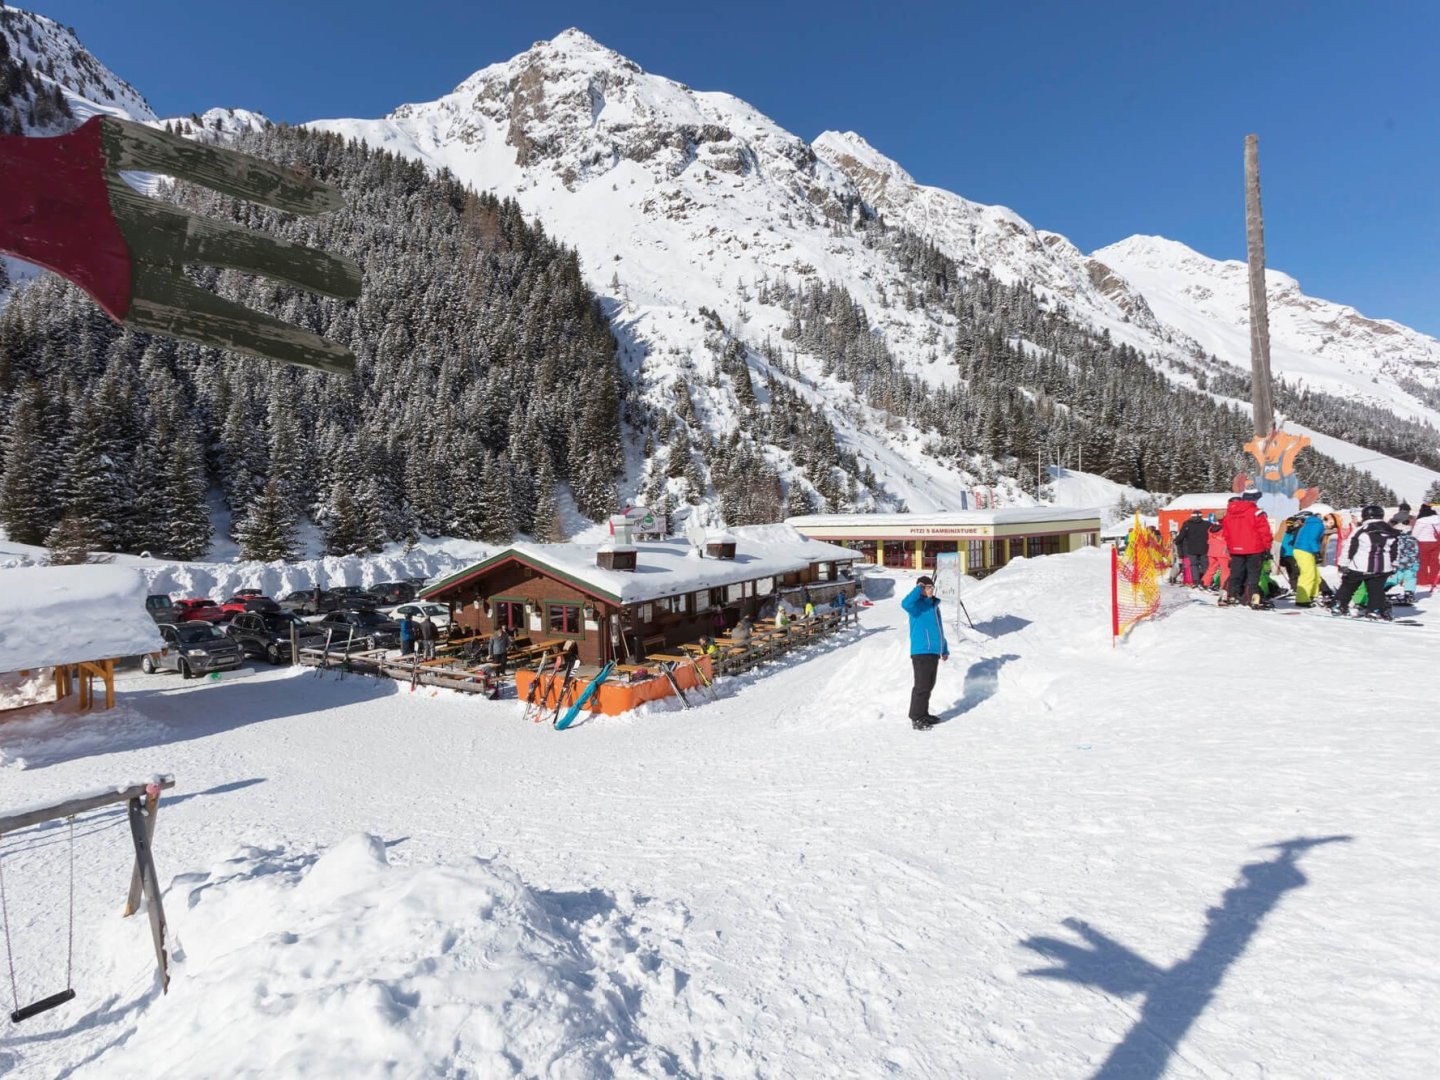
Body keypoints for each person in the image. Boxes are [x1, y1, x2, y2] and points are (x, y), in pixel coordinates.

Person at [1332, 505, 1400, 619]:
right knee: (1376, 590)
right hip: (1382, 567)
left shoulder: (1360, 530)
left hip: (1360, 566)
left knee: (1348, 585)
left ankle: (1339, 606)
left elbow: (1349, 548)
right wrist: (1394, 564)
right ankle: (1375, 610)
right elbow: (1395, 550)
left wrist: (1343, 564)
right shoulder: (1391, 530)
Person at [901, 575, 949, 731]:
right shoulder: (916, 607)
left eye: (931, 587)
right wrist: (918, 588)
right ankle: (916, 718)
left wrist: (944, 648)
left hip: (934, 651)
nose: (930, 590)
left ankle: (924, 714)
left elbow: (939, 629)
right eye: (927, 587)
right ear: (921, 589)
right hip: (921, 651)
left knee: (929, 685)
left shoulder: (934, 606)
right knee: (921, 686)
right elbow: (905, 603)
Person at [1220, 488, 1272, 608]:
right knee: (1253, 574)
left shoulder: (1229, 513)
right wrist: (1267, 547)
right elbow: (1264, 532)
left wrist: (1230, 546)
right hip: (1254, 548)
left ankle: (1232, 594)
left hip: (1235, 549)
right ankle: (1252, 596)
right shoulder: (1256, 512)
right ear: (1254, 499)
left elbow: (1226, 533)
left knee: (1236, 573)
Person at [1290, 510, 1326, 607]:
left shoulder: (1310, 524)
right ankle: (1302, 599)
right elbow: (1312, 540)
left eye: (1300, 519)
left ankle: (1312, 595)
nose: (1299, 521)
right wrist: (1317, 552)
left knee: (1314, 574)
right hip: (1305, 551)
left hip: (1303, 550)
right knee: (1308, 575)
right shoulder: (1317, 524)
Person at [1385, 515, 1420, 606]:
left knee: (1396, 577)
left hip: (1399, 562)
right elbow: (1416, 551)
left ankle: (1382, 589)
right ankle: (1409, 593)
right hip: (1411, 562)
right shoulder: (1412, 538)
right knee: (1410, 577)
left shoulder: (1394, 538)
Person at [1174, 511, 1211, 588]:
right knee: (1205, 565)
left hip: (1192, 548)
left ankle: (1196, 580)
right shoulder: (1207, 524)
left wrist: (1176, 541)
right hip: (1205, 548)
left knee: (1194, 565)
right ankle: (1206, 581)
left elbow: (1181, 536)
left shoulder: (1187, 525)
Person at [1411, 504, 1440, 591]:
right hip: (1436, 542)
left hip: (1423, 543)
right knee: (1434, 561)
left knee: (1423, 562)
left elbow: (1415, 534)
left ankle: (1423, 581)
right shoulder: (1437, 519)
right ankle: (1435, 580)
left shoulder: (1421, 520)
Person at [1203, 519, 1229, 592]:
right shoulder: (1226, 528)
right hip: (1222, 552)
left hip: (1212, 551)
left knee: (1211, 568)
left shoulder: (1211, 528)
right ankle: (1224, 587)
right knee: (1225, 570)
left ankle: (1205, 583)